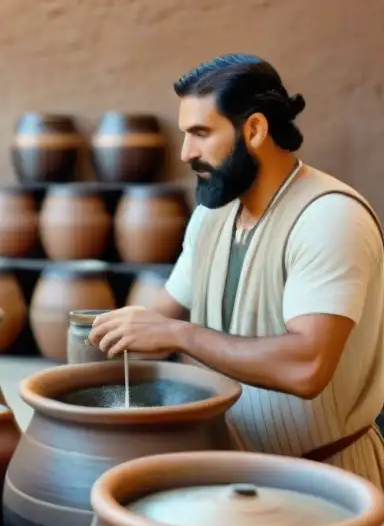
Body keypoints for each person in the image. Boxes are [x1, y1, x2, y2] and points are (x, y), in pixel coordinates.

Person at [88, 54, 384, 486]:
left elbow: (307, 367)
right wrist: (102, 340)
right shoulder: (213, 215)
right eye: (185, 135)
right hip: (226, 482)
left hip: (328, 485)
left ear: (255, 130)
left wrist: (178, 335)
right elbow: (160, 322)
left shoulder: (330, 218)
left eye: (201, 133)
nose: (187, 152)